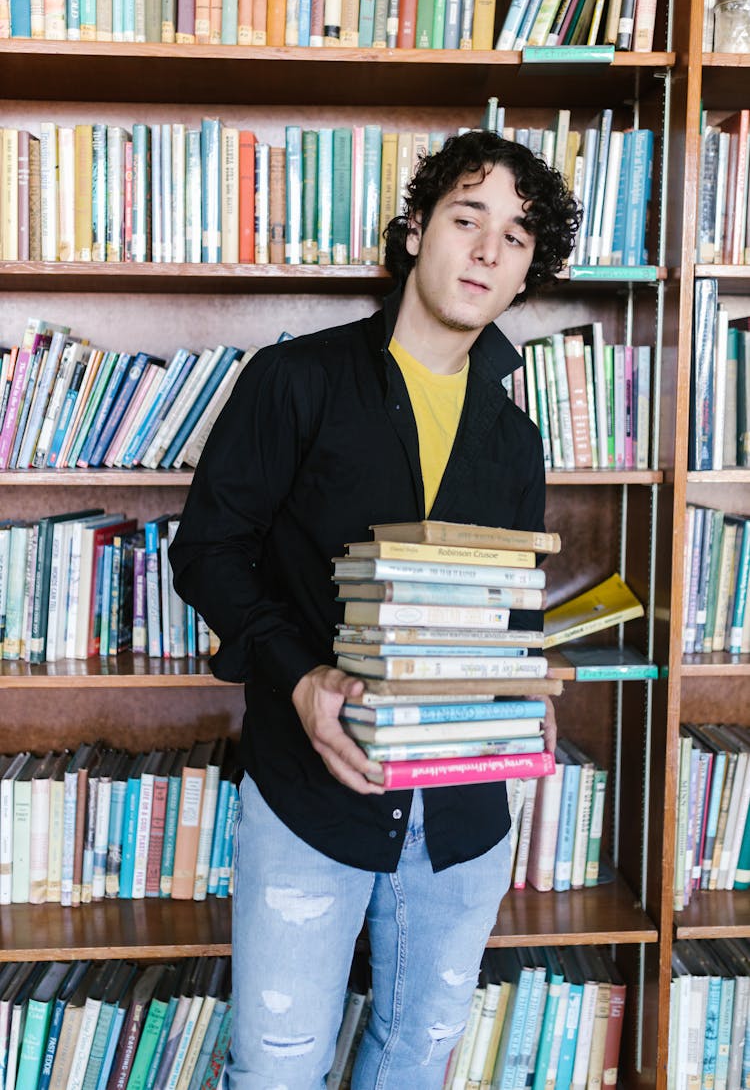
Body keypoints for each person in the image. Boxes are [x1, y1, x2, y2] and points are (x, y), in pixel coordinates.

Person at [169, 129, 580, 1088]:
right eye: (467, 217)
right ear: (414, 232)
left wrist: (525, 685)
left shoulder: (516, 441)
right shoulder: (296, 379)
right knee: (276, 1069)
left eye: (516, 238)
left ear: (527, 276)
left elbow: (510, 603)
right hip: (311, 800)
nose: (486, 249)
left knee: (414, 1060)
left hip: (467, 817)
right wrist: (304, 676)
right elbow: (207, 552)